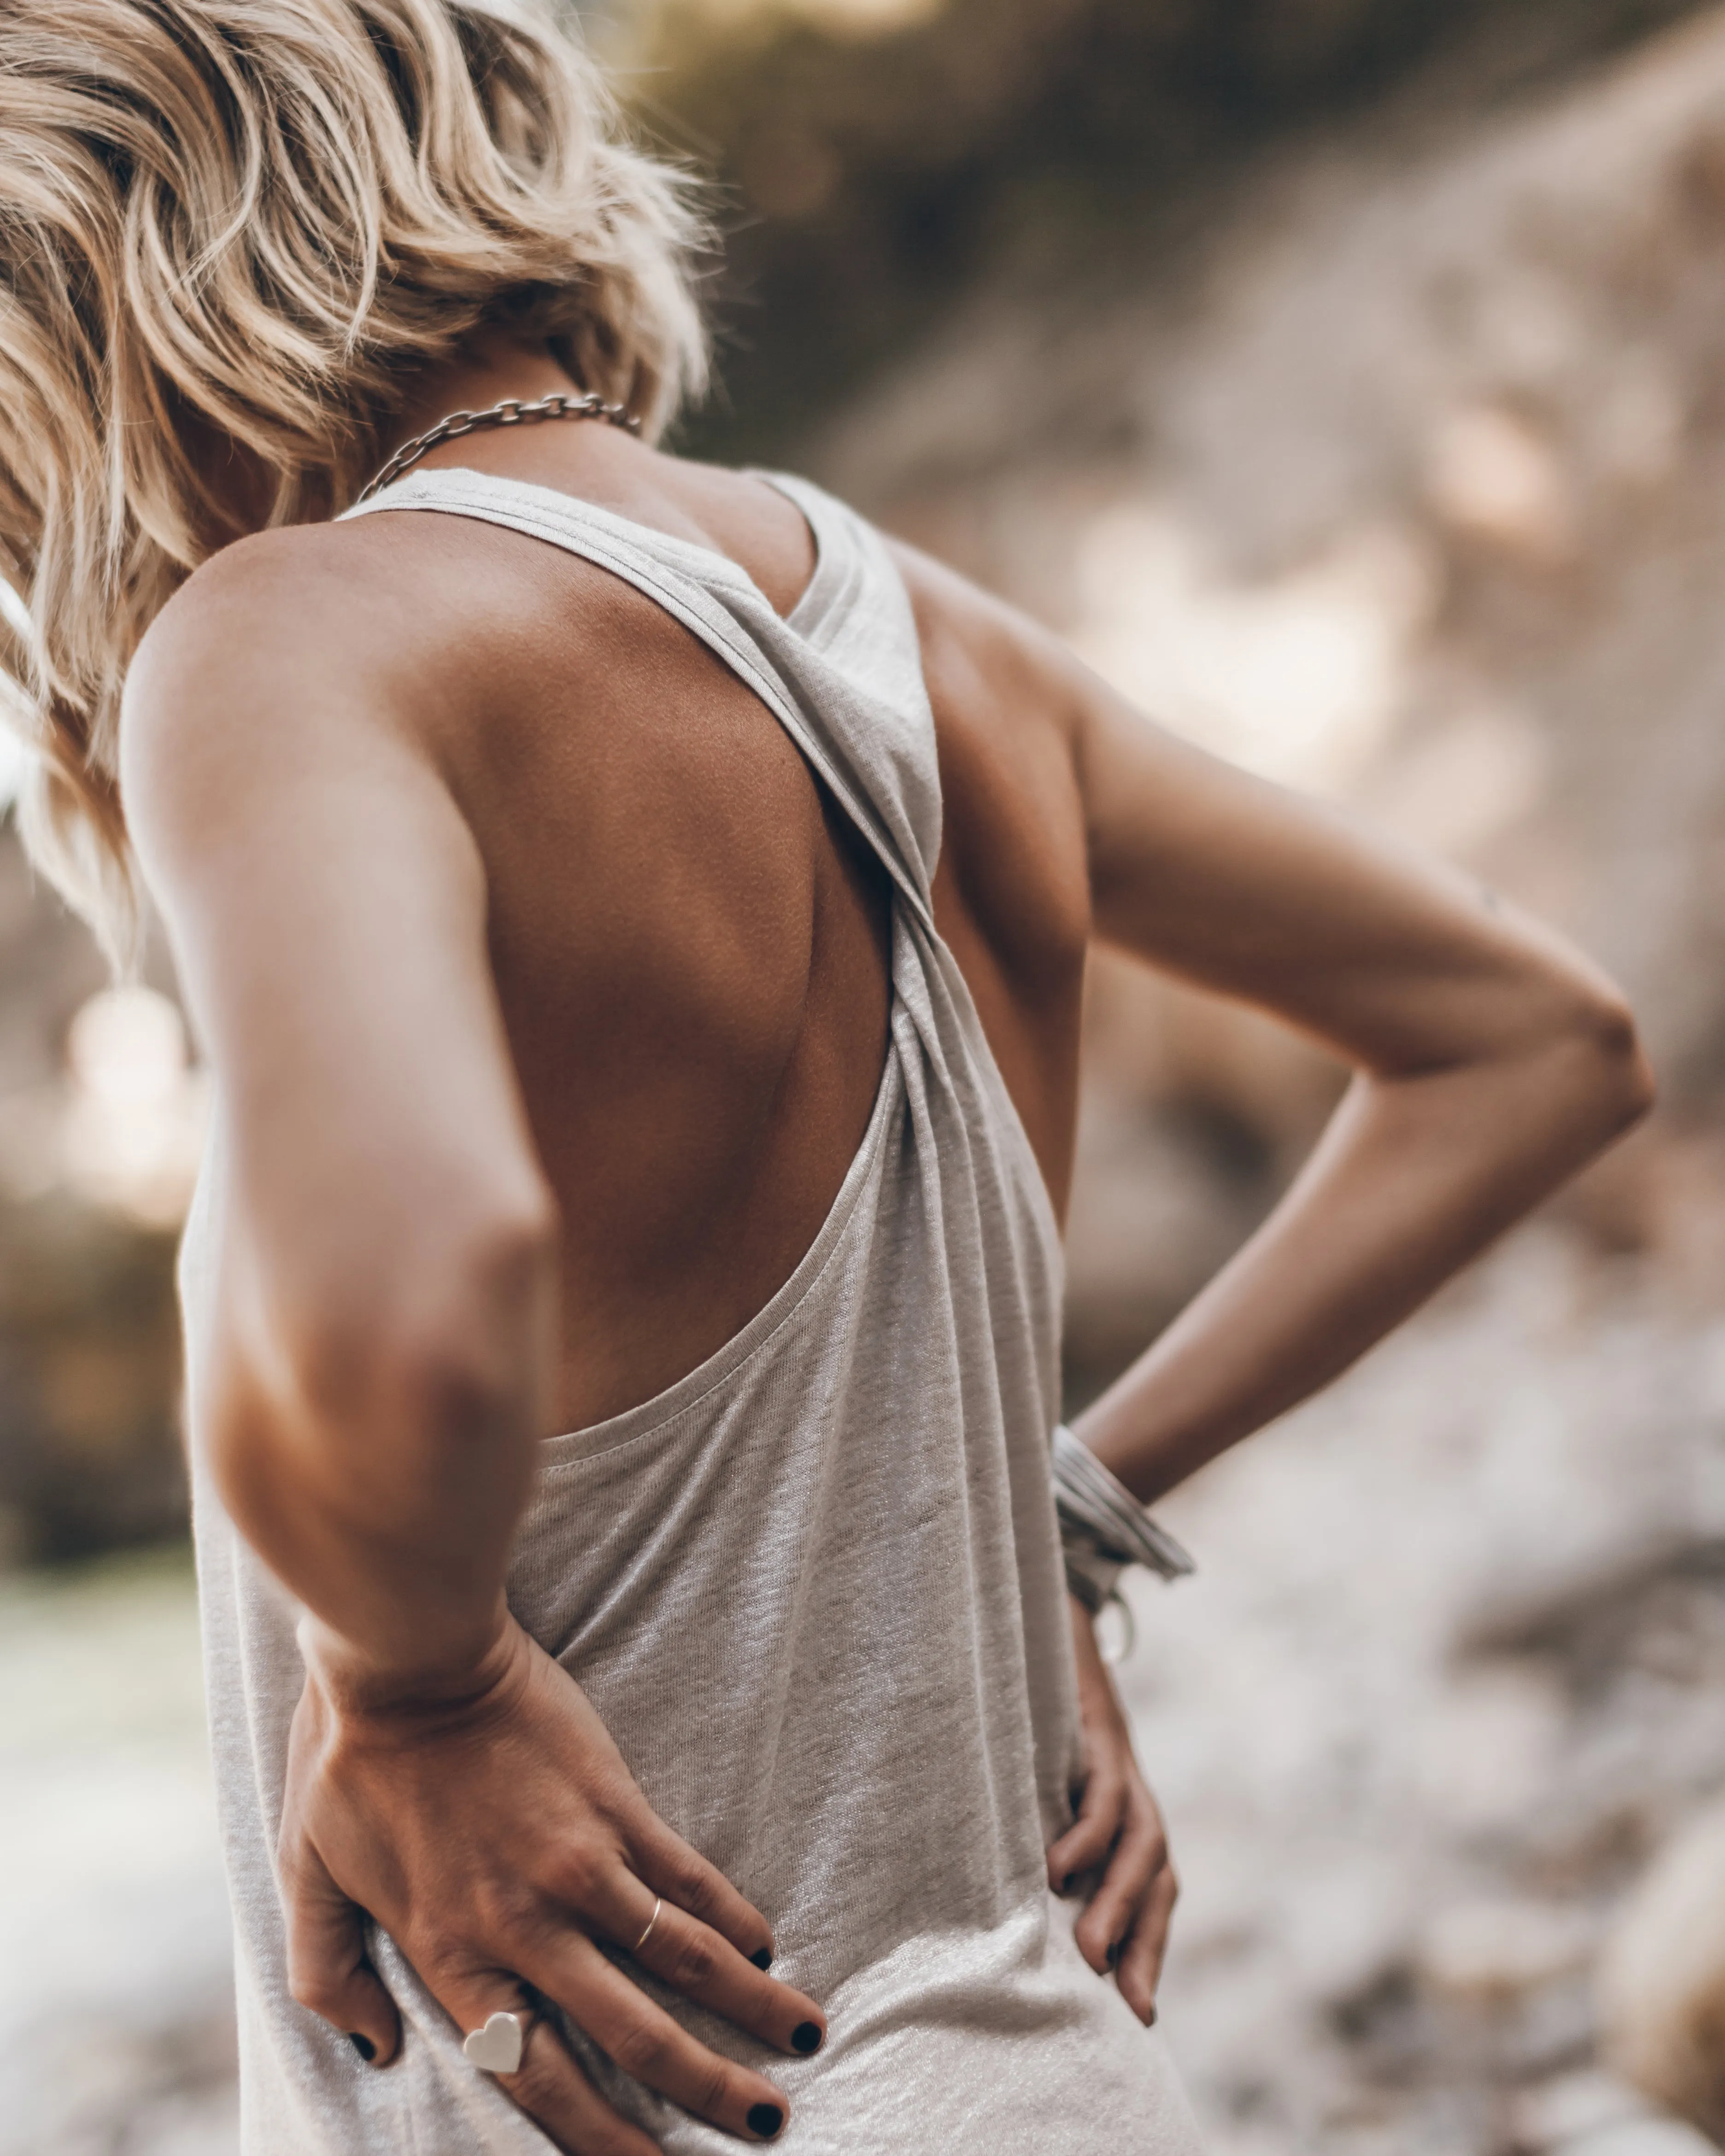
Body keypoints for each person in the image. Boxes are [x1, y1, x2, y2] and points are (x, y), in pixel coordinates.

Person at [0, 2, 1652, 2150]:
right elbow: (1539, 1042)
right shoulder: (928, 639)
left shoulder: (292, 640)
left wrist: (424, 1687)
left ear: (87, 283)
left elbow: (413, 1292)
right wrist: (1055, 1520)